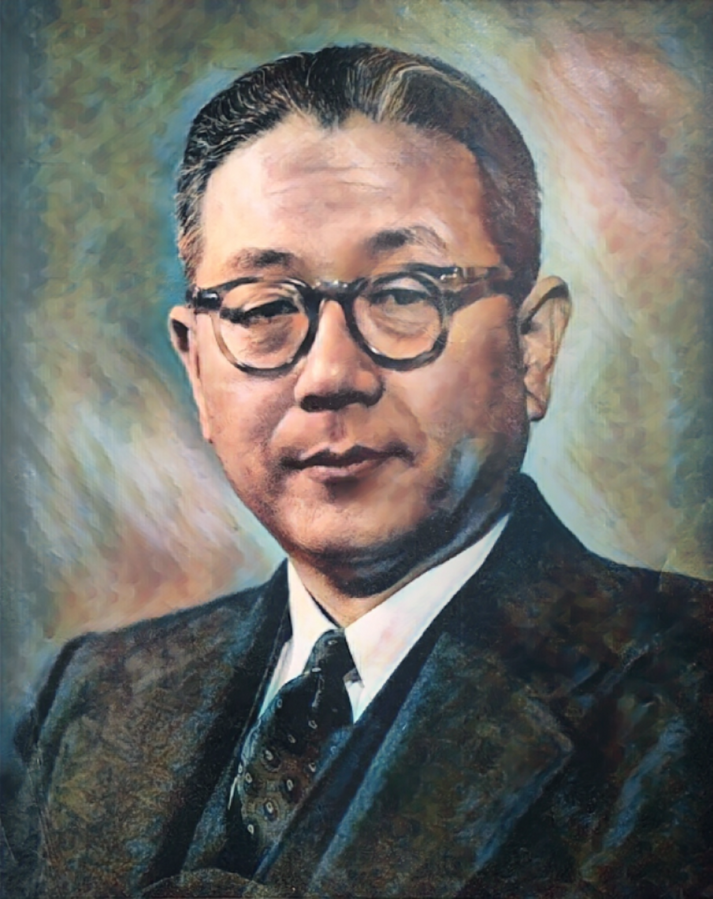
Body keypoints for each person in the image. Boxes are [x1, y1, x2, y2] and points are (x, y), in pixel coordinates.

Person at [4, 44, 710, 899]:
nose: (331, 373)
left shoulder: (683, 695)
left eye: (404, 294)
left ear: (531, 346)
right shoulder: (95, 698)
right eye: (265, 307)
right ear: (195, 366)